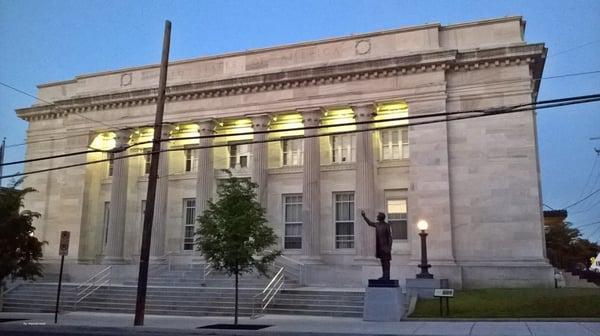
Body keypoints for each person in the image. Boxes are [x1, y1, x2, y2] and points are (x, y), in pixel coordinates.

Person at [361, 210, 392, 280]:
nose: (377, 217)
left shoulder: (387, 225)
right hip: (380, 247)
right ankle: (384, 275)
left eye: (378, 216)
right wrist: (364, 216)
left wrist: (389, 247)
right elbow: (369, 223)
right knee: (382, 262)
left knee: (386, 262)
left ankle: (387, 276)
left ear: (381, 217)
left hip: (386, 247)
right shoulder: (377, 224)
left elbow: (390, 237)